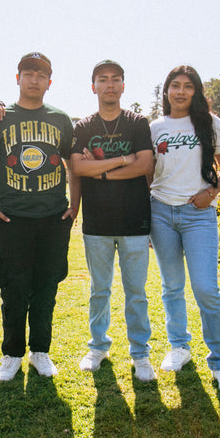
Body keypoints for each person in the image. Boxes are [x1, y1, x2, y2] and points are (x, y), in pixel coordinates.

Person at [0, 51, 76, 381]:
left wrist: (73, 206)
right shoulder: (0, 117)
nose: (34, 80)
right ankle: (11, 353)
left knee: (47, 286)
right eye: (28, 73)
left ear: (50, 81)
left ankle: (40, 352)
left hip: (52, 217)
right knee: (14, 288)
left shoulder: (60, 118)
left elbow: (72, 164)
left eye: (41, 74)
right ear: (17, 78)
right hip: (13, 217)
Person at [149, 65, 220, 395]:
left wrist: (211, 192)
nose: (181, 92)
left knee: (206, 288)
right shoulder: (155, 127)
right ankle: (179, 347)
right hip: (160, 212)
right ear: (167, 91)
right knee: (172, 285)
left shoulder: (211, 124)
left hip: (198, 214)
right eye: (175, 85)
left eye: (188, 86)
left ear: (196, 91)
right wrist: (147, 215)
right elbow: (149, 174)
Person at [69, 60, 156, 381]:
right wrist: (121, 161)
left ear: (123, 85)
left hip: (135, 220)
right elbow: (77, 168)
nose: (109, 85)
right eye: (102, 80)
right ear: (93, 86)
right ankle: (98, 347)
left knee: (136, 292)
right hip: (97, 223)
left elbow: (145, 164)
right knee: (99, 290)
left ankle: (140, 353)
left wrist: (100, 170)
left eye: (115, 80)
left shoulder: (137, 123)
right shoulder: (83, 127)